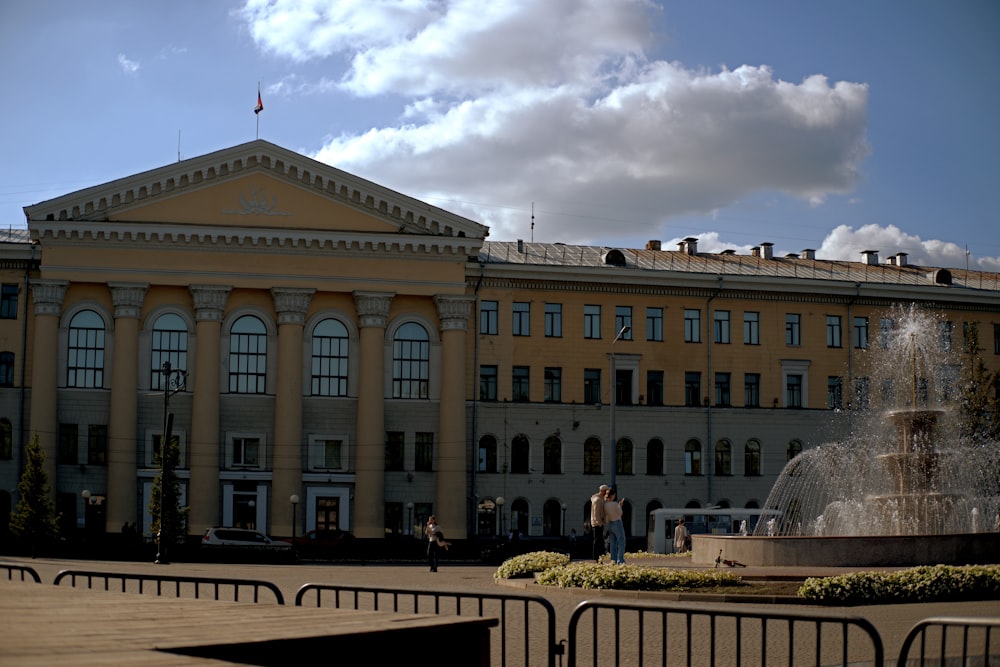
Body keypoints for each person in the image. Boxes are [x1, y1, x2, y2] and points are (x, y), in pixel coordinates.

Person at [604, 488, 625, 564]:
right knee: (621, 541)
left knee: (613, 542)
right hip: (617, 522)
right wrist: (620, 505)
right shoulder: (615, 504)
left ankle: (613, 560)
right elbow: (620, 513)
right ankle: (620, 560)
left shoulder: (605, 505)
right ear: (612, 495)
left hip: (610, 523)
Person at [589, 484, 609, 561]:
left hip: (598, 523)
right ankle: (596, 557)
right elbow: (596, 513)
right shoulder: (597, 500)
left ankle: (598, 557)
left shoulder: (599, 499)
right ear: (603, 491)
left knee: (598, 540)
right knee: (597, 541)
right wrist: (599, 522)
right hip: (597, 523)